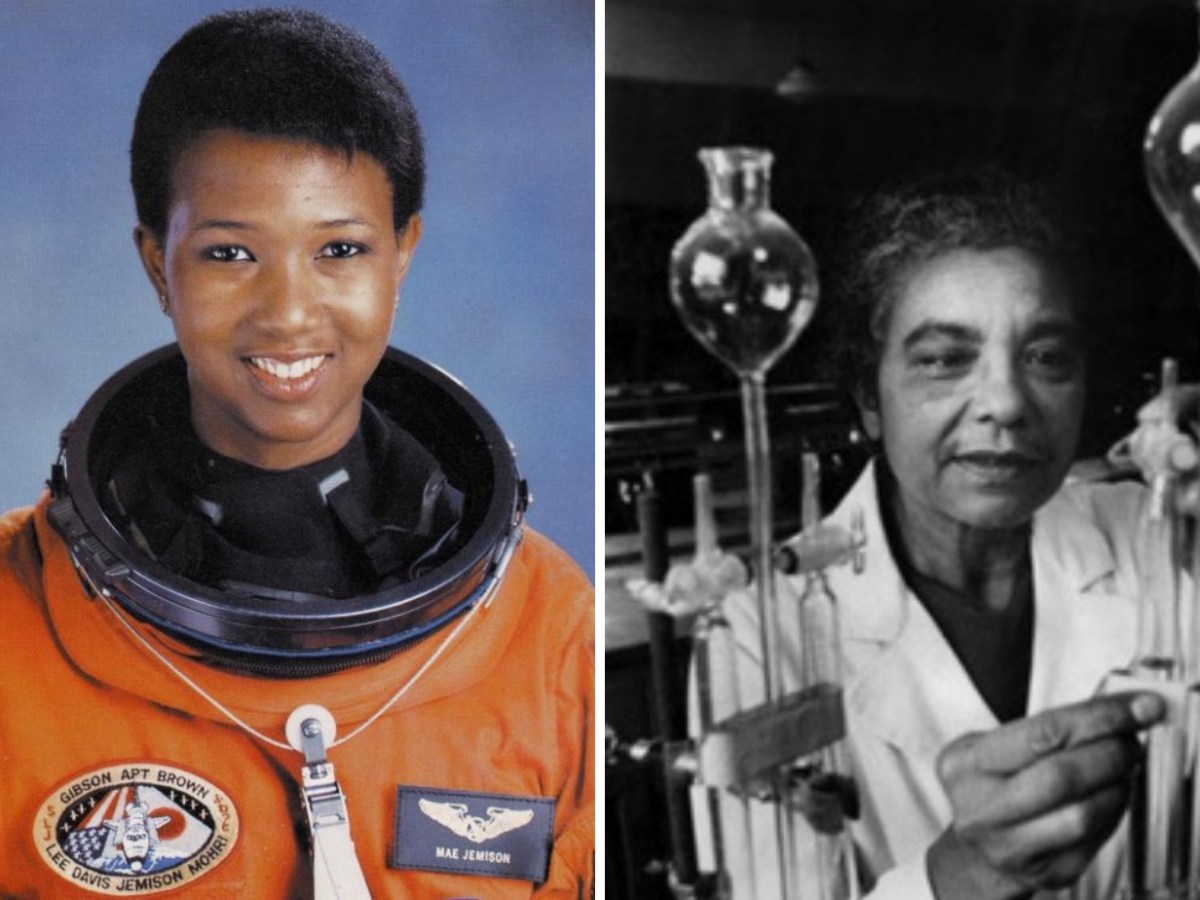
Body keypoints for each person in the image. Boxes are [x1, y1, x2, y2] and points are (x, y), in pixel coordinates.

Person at [0, 9, 593, 898]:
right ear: (159, 267)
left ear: (402, 256)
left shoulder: (549, 632)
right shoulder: (16, 617)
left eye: (341, 250)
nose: (287, 313)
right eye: (229, 252)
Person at [696, 168, 1176, 899]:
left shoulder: (1160, 538)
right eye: (945, 359)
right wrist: (960, 875)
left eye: (1046, 357)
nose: (1006, 403)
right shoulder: (755, 628)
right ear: (869, 397)